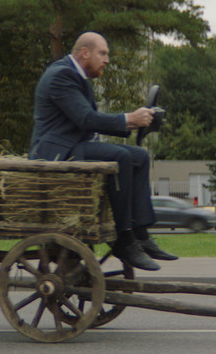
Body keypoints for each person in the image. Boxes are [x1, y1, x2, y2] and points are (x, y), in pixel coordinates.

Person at [29, 31, 177, 271]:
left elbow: (88, 121)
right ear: (84, 53)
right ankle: (123, 238)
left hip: (74, 147)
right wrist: (130, 118)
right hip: (55, 155)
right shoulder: (61, 76)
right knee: (121, 156)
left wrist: (133, 122)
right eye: (103, 53)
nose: (107, 59)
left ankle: (140, 233)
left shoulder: (76, 77)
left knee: (139, 156)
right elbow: (86, 119)